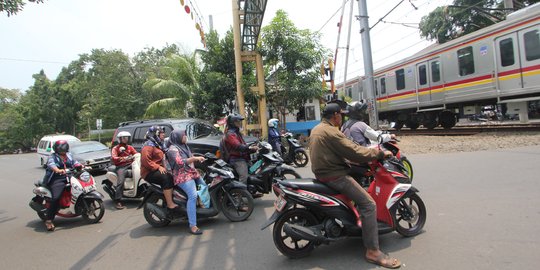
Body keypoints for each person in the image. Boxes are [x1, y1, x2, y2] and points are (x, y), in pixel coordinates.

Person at [309, 102, 401, 269]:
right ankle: (373, 251)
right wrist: (380, 153)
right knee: (368, 204)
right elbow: (355, 151)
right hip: (334, 175)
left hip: (323, 172)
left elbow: (343, 151)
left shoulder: (318, 129)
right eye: (340, 115)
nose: (342, 117)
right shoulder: (332, 132)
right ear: (335, 115)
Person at [166, 130, 207, 235]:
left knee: (203, 186)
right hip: (181, 176)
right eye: (184, 135)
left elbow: (190, 157)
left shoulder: (185, 146)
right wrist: (194, 158)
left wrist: (199, 157)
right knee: (192, 196)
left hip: (191, 172)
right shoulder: (172, 149)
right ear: (178, 137)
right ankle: (193, 225)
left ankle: (201, 203)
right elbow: (180, 162)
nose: (185, 137)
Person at [43, 140, 82, 231]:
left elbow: (75, 162)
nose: (63, 150)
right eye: (61, 148)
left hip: (70, 176)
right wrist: (58, 170)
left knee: (81, 188)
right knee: (56, 197)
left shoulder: (69, 155)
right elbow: (51, 165)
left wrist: (81, 166)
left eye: (64, 148)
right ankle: (49, 220)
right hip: (57, 178)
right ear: (56, 149)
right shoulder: (52, 157)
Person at [140, 126, 179, 212]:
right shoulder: (148, 145)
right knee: (167, 178)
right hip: (148, 172)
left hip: (159, 168)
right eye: (161, 133)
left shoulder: (159, 144)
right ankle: (170, 204)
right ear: (155, 134)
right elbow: (145, 162)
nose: (163, 134)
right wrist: (158, 167)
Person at [223, 114, 258, 186]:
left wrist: (252, 148)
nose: (240, 123)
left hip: (243, 157)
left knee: (254, 171)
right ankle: (242, 195)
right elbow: (238, 146)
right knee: (244, 176)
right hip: (237, 159)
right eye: (238, 121)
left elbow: (243, 145)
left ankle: (250, 191)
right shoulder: (230, 134)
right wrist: (249, 148)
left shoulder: (237, 132)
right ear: (232, 123)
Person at [110, 131, 138, 210]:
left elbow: (135, 153)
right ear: (120, 139)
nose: (126, 139)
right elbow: (114, 157)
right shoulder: (116, 148)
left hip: (131, 165)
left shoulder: (130, 147)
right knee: (120, 182)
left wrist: (137, 156)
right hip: (121, 166)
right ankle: (118, 200)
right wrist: (123, 158)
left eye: (127, 137)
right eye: (124, 138)